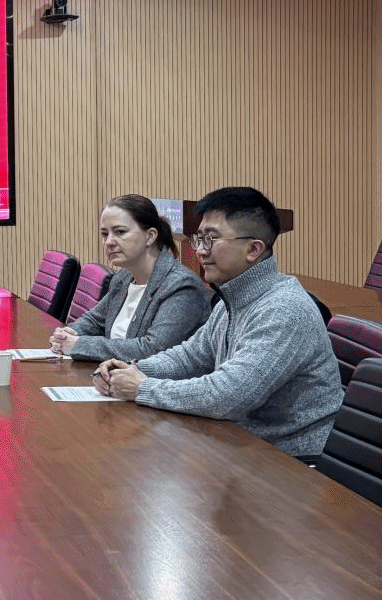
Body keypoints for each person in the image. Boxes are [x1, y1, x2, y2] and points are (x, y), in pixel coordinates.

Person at [93, 187, 343, 457]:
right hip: (240, 444)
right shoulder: (230, 300)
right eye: (199, 238)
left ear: (253, 249)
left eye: (210, 239)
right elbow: (190, 357)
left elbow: (228, 396)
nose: (200, 251)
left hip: (291, 459)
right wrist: (132, 369)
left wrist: (142, 387)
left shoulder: (283, 310)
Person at [50, 194, 211, 362]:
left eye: (120, 232)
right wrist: (66, 335)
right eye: (105, 234)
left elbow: (152, 349)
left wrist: (79, 345)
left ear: (150, 236)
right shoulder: (123, 277)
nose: (109, 242)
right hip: (111, 373)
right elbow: (95, 320)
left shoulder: (182, 286)